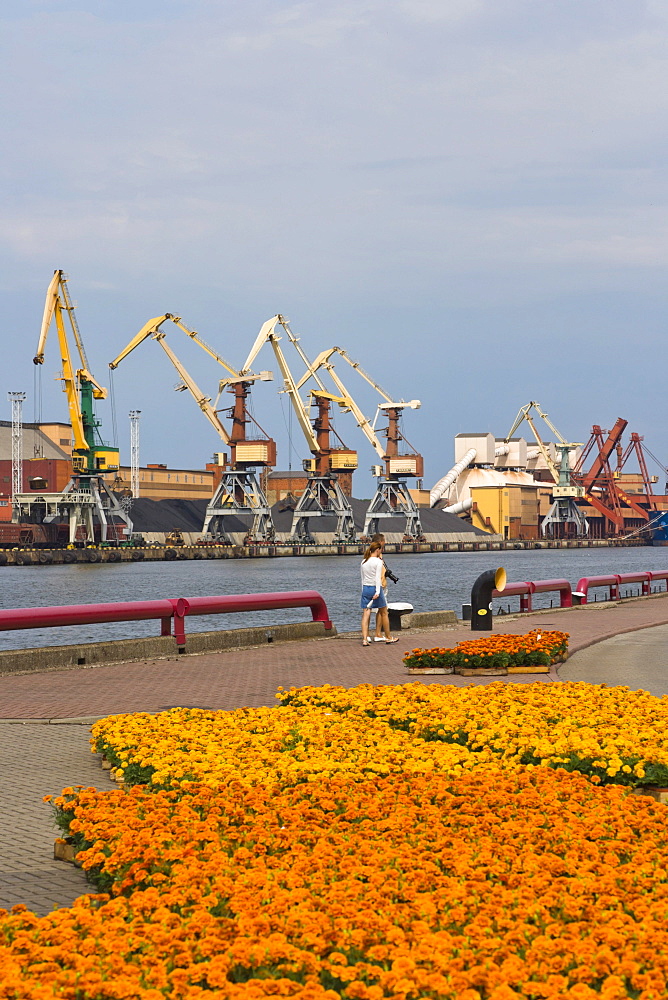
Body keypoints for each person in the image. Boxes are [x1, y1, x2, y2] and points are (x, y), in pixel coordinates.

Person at [360, 541, 398, 646]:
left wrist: (363, 590)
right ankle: (388, 637)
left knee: (366, 613)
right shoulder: (378, 562)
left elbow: (362, 579)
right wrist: (377, 591)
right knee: (384, 612)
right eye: (380, 550)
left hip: (365, 588)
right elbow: (377, 578)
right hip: (376, 588)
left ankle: (364, 639)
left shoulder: (363, 561)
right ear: (377, 550)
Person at [371, 533, 398, 642]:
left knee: (378, 611)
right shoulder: (377, 555)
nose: (385, 543)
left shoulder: (371, 555)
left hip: (378, 585)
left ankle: (378, 634)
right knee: (384, 611)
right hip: (379, 586)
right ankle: (388, 636)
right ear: (380, 542)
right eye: (384, 541)